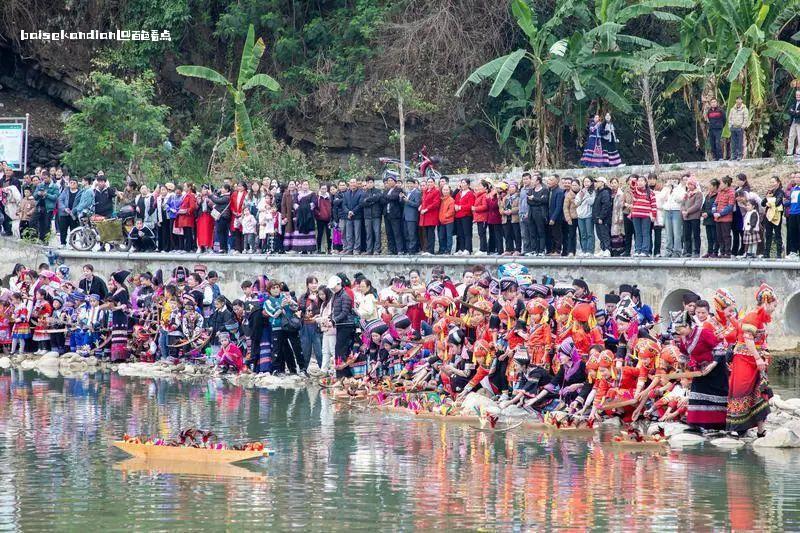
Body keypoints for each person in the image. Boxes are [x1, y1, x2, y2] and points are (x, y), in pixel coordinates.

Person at [727, 284, 775, 437]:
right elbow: (748, 340)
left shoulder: (761, 318)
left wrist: (763, 356)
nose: (774, 308)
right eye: (774, 305)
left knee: (759, 393)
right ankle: (738, 428)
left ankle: (761, 430)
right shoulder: (752, 317)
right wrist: (758, 358)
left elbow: (761, 340)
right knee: (742, 392)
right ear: (766, 302)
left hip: (756, 360)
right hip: (745, 360)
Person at [629, 175, 656, 257]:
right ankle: (638, 250)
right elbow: (632, 187)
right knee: (637, 233)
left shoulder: (650, 192)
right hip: (636, 214)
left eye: (642, 181)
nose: (640, 182)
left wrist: (654, 215)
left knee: (645, 233)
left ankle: (645, 251)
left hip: (646, 215)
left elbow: (653, 204)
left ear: (645, 182)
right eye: (639, 181)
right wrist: (634, 181)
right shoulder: (636, 191)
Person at [661, 176, 685, 257]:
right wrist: (666, 188)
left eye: (674, 180)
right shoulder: (666, 188)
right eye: (671, 180)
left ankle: (677, 251)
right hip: (667, 210)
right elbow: (661, 198)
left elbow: (679, 199)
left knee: (677, 233)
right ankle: (668, 251)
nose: (672, 182)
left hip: (676, 211)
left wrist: (674, 189)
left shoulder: (680, 189)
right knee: (668, 233)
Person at [761, 176, 784, 258]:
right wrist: (767, 197)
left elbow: (777, 202)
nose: (772, 184)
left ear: (778, 183)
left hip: (777, 216)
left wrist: (770, 201)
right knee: (768, 235)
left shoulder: (780, 192)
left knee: (778, 234)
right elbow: (763, 203)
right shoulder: (770, 192)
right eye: (771, 182)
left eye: (773, 182)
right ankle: (766, 253)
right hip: (768, 215)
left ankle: (779, 254)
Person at [712, 176, 735, 258]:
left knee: (726, 235)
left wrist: (720, 213)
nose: (720, 185)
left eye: (721, 183)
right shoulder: (720, 192)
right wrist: (714, 212)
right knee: (719, 236)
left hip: (726, 219)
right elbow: (715, 203)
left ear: (726, 184)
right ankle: (721, 252)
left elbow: (730, 206)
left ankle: (727, 252)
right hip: (717, 218)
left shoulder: (731, 193)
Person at [526, 175, 548, 256]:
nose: (531, 181)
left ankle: (541, 250)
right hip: (531, 213)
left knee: (541, 232)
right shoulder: (531, 190)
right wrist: (538, 200)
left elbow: (545, 200)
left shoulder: (544, 190)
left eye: (533, 179)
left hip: (540, 214)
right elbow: (528, 201)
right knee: (532, 232)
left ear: (538, 181)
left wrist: (534, 198)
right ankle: (534, 250)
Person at [361, 177, 383, 255]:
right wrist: (371, 201)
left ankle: (377, 250)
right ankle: (369, 250)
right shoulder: (364, 193)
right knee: (369, 234)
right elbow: (362, 203)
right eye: (368, 182)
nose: (369, 184)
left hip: (376, 215)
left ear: (373, 183)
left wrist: (367, 200)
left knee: (377, 233)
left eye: (371, 182)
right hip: (367, 216)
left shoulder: (378, 191)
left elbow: (377, 198)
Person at [681, 177, 703, 257]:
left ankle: (697, 251)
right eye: (688, 184)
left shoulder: (698, 194)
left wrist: (688, 211)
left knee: (696, 235)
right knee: (686, 235)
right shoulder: (687, 194)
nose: (689, 186)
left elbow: (697, 205)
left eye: (691, 184)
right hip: (686, 217)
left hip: (694, 217)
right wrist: (683, 211)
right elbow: (682, 204)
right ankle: (688, 251)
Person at [419, 178, 441, 255]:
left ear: (434, 183)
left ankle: (430, 250)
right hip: (425, 216)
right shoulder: (425, 191)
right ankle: (427, 250)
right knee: (427, 234)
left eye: (431, 182)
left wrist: (426, 209)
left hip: (431, 215)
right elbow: (424, 202)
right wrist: (421, 207)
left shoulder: (436, 191)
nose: (429, 183)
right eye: (428, 182)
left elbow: (436, 203)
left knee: (431, 234)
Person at [383, 177, 405, 255]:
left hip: (395, 215)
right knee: (389, 233)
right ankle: (391, 249)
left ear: (395, 182)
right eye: (388, 181)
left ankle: (400, 250)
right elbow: (382, 200)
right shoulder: (386, 191)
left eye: (391, 180)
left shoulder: (398, 189)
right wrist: (389, 197)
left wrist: (387, 197)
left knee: (397, 232)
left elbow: (395, 197)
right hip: (387, 214)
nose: (389, 182)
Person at [342, 179, 364, 255]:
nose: (352, 184)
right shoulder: (346, 193)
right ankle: (349, 248)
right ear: (349, 184)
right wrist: (348, 211)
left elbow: (360, 204)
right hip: (348, 216)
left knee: (357, 233)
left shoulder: (361, 193)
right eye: (351, 182)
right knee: (348, 234)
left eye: (354, 182)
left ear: (356, 184)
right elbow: (344, 205)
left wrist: (353, 212)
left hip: (357, 216)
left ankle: (356, 249)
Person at [454, 178, 474, 255]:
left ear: (468, 185)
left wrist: (460, 207)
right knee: (460, 233)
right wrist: (455, 206)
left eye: (464, 183)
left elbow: (470, 205)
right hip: (458, 216)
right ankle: (461, 249)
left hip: (466, 216)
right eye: (461, 183)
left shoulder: (470, 193)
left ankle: (468, 249)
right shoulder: (459, 193)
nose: (462, 184)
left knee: (467, 233)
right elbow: (455, 201)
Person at [593, 177, 612, 257]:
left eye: (598, 181)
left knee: (604, 234)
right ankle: (603, 249)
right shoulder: (598, 192)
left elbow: (606, 206)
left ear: (603, 183)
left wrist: (601, 217)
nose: (596, 183)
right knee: (599, 234)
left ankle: (607, 250)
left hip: (603, 219)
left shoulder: (605, 192)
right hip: (597, 218)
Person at [575, 177, 595, 257]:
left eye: (588, 181)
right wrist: (581, 195)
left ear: (591, 183)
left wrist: (586, 196)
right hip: (580, 215)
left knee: (589, 233)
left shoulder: (593, 191)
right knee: (582, 234)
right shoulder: (580, 192)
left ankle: (590, 250)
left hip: (589, 215)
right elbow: (576, 202)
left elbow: (592, 202)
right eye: (585, 181)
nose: (586, 183)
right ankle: (584, 250)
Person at [728, 96, 750, 161]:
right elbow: (730, 118)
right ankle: (733, 156)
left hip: (740, 128)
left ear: (742, 101)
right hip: (733, 128)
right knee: (733, 142)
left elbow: (746, 119)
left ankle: (739, 155)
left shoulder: (744, 109)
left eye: (740, 99)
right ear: (736, 100)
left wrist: (743, 126)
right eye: (737, 99)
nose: (738, 101)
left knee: (740, 142)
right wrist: (730, 126)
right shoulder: (732, 109)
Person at [701, 179, 720, 258]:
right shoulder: (708, 195)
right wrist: (702, 212)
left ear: (715, 186)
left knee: (715, 236)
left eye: (710, 185)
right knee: (709, 237)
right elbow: (704, 206)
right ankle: (709, 251)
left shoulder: (718, 195)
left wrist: (708, 213)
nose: (709, 187)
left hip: (714, 219)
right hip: (707, 220)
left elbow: (717, 207)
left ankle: (715, 252)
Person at [402, 179, 421, 254]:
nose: (409, 185)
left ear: (414, 184)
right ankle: (408, 249)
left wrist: (408, 201)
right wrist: (402, 198)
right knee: (406, 234)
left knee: (412, 234)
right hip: (405, 216)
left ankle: (412, 250)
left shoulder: (417, 193)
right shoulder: (407, 193)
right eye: (408, 184)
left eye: (410, 184)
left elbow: (417, 204)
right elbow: (404, 203)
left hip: (412, 217)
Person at [546, 176, 564, 255]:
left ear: (556, 182)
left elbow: (558, 206)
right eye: (549, 179)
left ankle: (557, 250)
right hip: (549, 216)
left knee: (557, 234)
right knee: (550, 234)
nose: (548, 181)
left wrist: (553, 218)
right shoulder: (550, 191)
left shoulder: (559, 192)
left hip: (556, 217)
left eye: (551, 180)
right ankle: (552, 250)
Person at [438, 183, 455, 255]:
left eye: (447, 190)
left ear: (449, 190)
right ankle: (442, 249)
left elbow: (451, 211)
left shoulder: (451, 200)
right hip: (441, 221)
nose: (445, 191)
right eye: (444, 190)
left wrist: (444, 216)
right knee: (441, 236)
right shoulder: (441, 199)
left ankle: (448, 250)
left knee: (448, 236)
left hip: (449, 221)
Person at [563, 179, 578, 257]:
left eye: (575, 185)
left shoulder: (581, 194)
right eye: (573, 185)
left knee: (583, 235)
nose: (574, 186)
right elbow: (565, 208)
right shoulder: (569, 195)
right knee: (571, 235)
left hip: (581, 217)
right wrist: (568, 218)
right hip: (572, 218)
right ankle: (571, 251)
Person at [785, 176, 800, 259]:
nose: (796, 179)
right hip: (792, 213)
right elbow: (791, 201)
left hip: (799, 213)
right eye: (796, 177)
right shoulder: (793, 189)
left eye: (798, 177)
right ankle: (793, 251)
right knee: (792, 233)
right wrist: (784, 203)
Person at [786, 90, 800, 157]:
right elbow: (789, 111)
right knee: (791, 137)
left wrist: (794, 112)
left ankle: (798, 152)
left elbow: (798, 114)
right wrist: (796, 112)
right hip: (793, 122)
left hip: (799, 122)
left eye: (799, 95)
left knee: (799, 138)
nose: (798, 96)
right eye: (797, 95)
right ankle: (789, 153)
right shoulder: (793, 102)